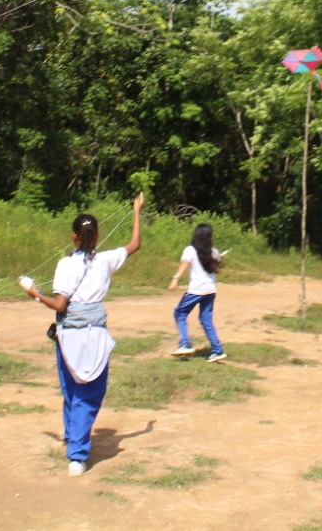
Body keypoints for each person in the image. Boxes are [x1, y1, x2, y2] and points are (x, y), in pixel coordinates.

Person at [27, 194, 144, 476]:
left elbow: (59, 305)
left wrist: (34, 293)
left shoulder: (66, 264)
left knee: (71, 388)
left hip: (67, 334)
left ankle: (74, 440)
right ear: (97, 236)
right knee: (88, 391)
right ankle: (77, 453)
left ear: (74, 237)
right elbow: (135, 245)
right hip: (93, 335)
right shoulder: (105, 260)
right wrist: (136, 211)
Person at [168, 223, 227, 362]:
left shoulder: (190, 250)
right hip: (210, 290)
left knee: (180, 313)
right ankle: (217, 350)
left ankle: (184, 344)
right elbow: (214, 263)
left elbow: (185, 265)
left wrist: (175, 279)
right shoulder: (213, 251)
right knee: (206, 320)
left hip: (197, 290)